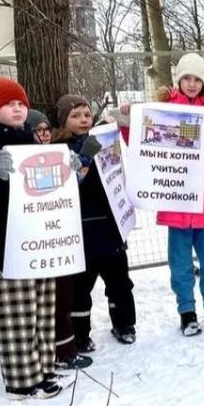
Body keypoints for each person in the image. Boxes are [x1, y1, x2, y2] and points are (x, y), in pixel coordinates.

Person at [0, 77, 63, 399]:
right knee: (16, 312)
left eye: (21, 103)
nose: (18, 109)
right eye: (10, 104)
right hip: (4, 242)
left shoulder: (29, 140)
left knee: (41, 308)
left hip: (36, 239)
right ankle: (22, 380)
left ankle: (43, 369)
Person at [153, 53, 204, 336]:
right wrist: (129, 122)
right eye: (186, 78)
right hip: (175, 194)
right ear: (178, 80)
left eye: (196, 79)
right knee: (180, 260)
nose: (191, 83)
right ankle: (186, 311)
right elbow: (146, 145)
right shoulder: (164, 107)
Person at [53, 94, 138, 348]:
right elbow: (69, 178)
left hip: (110, 224)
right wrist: (87, 152)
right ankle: (80, 334)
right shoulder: (61, 149)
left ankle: (124, 324)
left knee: (119, 280)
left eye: (87, 115)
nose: (83, 120)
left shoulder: (103, 139)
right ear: (63, 121)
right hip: (81, 228)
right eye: (75, 116)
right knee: (80, 287)